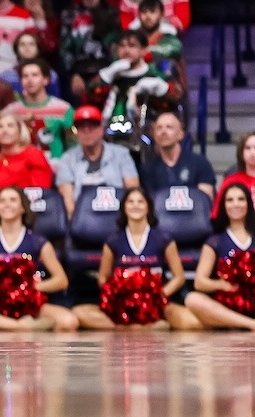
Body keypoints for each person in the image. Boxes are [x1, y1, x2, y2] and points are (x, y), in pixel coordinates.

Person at [0, 186, 78, 332]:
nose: (7, 204)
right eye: (2, 201)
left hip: (28, 304)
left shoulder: (38, 241)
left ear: (23, 207)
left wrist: (27, 289)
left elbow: (61, 280)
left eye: (13, 200)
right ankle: (17, 326)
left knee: (69, 321)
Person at [72, 187, 199, 330]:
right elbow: (103, 278)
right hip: (123, 306)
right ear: (124, 207)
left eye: (140, 201)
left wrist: (159, 295)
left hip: (154, 304)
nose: (135, 205)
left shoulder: (164, 239)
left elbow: (179, 277)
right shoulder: (113, 240)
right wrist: (118, 296)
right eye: (130, 202)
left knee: (190, 322)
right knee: (78, 313)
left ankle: (132, 327)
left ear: (148, 207)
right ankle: (135, 328)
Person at [183, 183, 255, 330]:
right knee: (192, 299)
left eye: (241, 199)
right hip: (228, 303)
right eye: (230, 200)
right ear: (223, 205)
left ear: (248, 203)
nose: (236, 204)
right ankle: (250, 324)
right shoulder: (215, 241)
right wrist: (222, 285)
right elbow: (199, 282)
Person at [55, 106, 140, 215]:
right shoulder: (67, 159)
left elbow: (133, 191)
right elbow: (67, 202)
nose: (87, 131)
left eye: (92, 126)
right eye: (82, 127)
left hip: (118, 215)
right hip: (82, 219)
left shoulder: (121, 154)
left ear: (102, 128)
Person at [140, 111, 215, 200]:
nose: (163, 132)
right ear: (154, 135)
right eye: (159, 128)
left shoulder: (200, 163)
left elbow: (205, 201)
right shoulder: (148, 168)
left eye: (169, 127)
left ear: (181, 134)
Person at [0, 108, 53, 191]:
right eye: (0, 126)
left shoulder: (33, 155)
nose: (5, 131)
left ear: (19, 130)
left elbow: (41, 190)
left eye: (10, 126)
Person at [14, 60, 72, 157]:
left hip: (56, 165)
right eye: (25, 76)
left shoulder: (63, 109)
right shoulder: (11, 111)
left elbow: (73, 142)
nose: (29, 80)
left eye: (35, 75)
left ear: (46, 79)